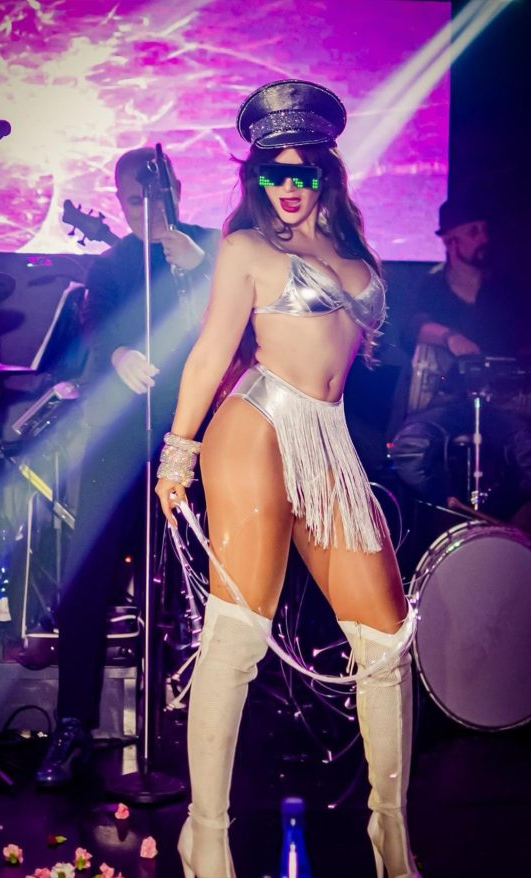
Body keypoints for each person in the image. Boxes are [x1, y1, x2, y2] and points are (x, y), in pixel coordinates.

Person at [155, 80, 421, 878]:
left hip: (328, 437)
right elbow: (211, 351)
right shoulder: (245, 248)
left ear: (326, 175)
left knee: (385, 638)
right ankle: (206, 837)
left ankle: (390, 838)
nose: (289, 186)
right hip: (258, 422)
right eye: (274, 172)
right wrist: (178, 450)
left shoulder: (357, 256)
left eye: (303, 171)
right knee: (239, 632)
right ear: (257, 178)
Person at [36, 147, 219, 787]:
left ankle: (211, 720)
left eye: (156, 196)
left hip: (196, 435)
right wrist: (116, 355)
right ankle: (72, 724)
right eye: (135, 200)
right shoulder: (112, 264)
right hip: (121, 440)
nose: (147, 208)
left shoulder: (207, 246)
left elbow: (240, 317)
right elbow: (97, 328)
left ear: (177, 190)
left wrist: (195, 265)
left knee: (202, 575)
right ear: (119, 202)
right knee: (86, 572)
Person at [389, 197, 531, 512]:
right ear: (451, 241)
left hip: (501, 404)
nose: (484, 238)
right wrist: (450, 337)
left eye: (485, 230)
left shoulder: (508, 289)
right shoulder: (430, 286)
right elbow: (412, 327)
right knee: (409, 449)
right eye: (474, 231)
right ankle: (449, 513)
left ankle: (504, 521)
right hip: (445, 403)